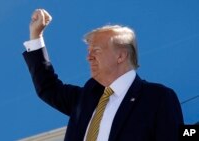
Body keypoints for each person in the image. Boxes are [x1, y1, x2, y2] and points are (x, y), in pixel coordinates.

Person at [22, 9, 184, 141]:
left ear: (121, 56)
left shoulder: (157, 98)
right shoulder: (87, 96)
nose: (89, 57)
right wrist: (36, 36)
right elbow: (48, 87)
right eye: (88, 51)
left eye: (96, 51)